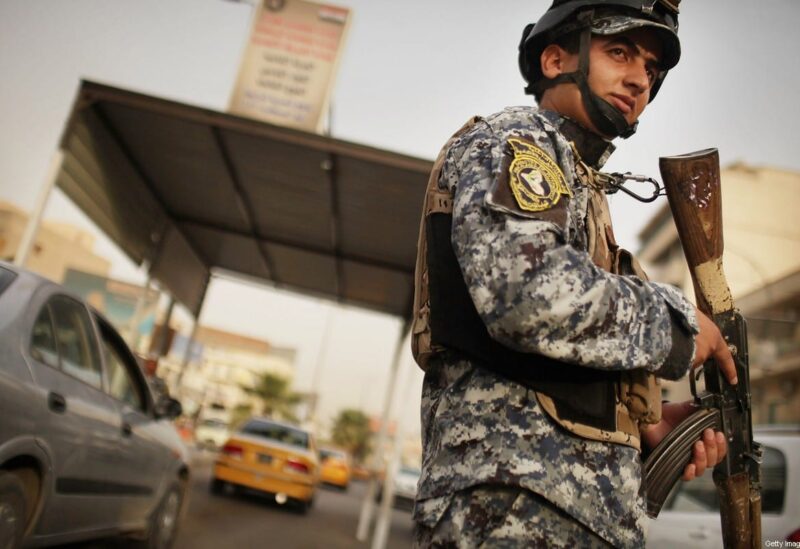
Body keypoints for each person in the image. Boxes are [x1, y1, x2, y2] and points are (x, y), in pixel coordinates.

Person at [410, 1, 739, 547]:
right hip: (511, 508)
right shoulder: (518, 143)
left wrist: (643, 418)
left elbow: (556, 350)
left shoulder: (580, 186)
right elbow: (530, 298)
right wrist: (681, 324)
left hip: (568, 516)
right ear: (556, 59)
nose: (639, 79)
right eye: (619, 52)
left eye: (652, 71)